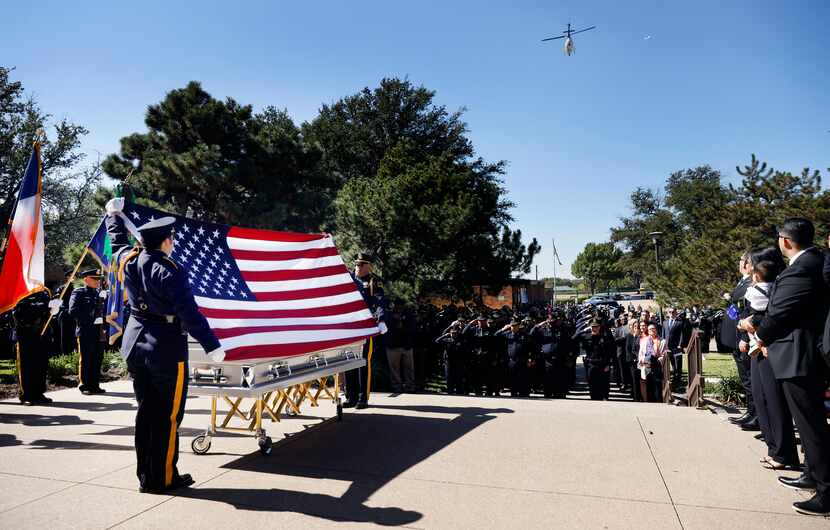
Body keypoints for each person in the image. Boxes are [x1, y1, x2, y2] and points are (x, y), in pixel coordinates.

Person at [105, 198, 225, 494]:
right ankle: (163, 478)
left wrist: (112, 216)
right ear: (166, 242)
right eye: (171, 239)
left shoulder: (129, 260)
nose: (173, 242)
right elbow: (189, 313)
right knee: (168, 416)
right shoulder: (170, 271)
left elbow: (117, 241)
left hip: (135, 345)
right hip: (166, 350)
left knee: (146, 412)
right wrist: (211, 345)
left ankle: (147, 475)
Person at [743, 218, 830, 516]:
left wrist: (759, 337)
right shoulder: (814, 262)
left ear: (786, 241)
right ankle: (812, 471)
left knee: (811, 423)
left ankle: (826, 489)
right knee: (809, 423)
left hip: (798, 356)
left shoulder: (801, 269)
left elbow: (780, 312)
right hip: (800, 354)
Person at [738, 248, 799, 470]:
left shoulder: (775, 287)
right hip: (757, 348)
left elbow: (774, 316)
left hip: (770, 348)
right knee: (762, 398)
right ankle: (773, 448)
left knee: (774, 402)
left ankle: (784, 453)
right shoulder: (757, 289)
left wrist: (754, 328)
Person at [345, 252, 387, 409]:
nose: (357, 267)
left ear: (369, 266)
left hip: (366, 327)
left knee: (363, 362)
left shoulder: (373, 282)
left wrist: (382, 320)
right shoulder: (349, 279)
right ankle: (351, 396)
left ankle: (363, 398)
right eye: (356, 263)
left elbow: (381, 302)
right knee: (349, 361)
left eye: (361, 264)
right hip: (350, 327)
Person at [723, 253, 758, 429]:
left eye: (742, 261)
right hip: (737, 337)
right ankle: (751, 412)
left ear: (748, 265)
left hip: (743, 338)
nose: (739, 263)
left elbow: (746, 312)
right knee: (746, 378)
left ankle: (756, 414)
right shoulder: (743, 281)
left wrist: (744, 338)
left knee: (749, 378)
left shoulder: (750, 283)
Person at [68, 269, 107, 395]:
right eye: (94, 279)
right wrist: (92, 318)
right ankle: (84, 385)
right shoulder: (79, 292)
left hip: (99, 331)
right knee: (86, 359)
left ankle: (95, 385)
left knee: (97, 358)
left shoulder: (99, 293)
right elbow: (73, 311)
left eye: (98, 279)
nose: (97, 281)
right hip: (85, 330)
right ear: (86, 279)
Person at [12, 291, 53, 405]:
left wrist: (52, 309)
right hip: (26, 334)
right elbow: (18, 312)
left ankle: (39, 393)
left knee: (41, 365)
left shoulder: (44, 294)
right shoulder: (22, 291)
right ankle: (27, 395)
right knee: (27, 366)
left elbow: (46, 314)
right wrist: (44, 307)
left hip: (42, 333)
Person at [577, 317, 615, 400]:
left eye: (596, 327)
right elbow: (574, 337)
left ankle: (604, 397)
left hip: (602, 364)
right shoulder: (586, 337)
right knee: (592, 384)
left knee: (603, 383)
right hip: (591, 364)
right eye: (593, 327)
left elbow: (610, 352)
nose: (595, 329)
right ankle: (594, 398)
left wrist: (608, 364)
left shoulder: (605, 338)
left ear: (600, 327)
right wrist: (583, 328)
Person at [495, 317, 530, 397]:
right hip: (511, 360)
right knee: (512, 377)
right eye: (512, 326)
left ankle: (522, 393)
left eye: (515, 326)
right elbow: (496, 335)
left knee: (522, 377)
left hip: (521, 359)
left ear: (518, 326)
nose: (513, 327)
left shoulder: (523, 335)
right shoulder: (507, 334)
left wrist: (529, 358)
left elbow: (529, 347)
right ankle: (513, 393)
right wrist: (503, 329)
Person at [385, 304, 416, 393]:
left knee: (409, 368)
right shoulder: (388, 315)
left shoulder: (409, 315)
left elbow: (412, 329)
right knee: (394, 369)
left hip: (406, 346)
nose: (399, 307)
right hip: (393, 345)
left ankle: (410, 386)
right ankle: (397, 387)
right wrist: (395, 319)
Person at [638, 323, 666, 402]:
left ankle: (659, 403)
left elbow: (664, 353)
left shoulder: (662, 341)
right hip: (647, 365)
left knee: (657, 386)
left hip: (657, 365)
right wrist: (642, 360)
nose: (652, 330)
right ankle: (650, 404)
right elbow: (641, 353)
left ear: (656, 330)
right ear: (648, 331)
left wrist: (661, 358)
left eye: (653, 328)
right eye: (650, 329)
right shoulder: (644, 341)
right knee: (648, 386)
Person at [663, 307, 692, 387]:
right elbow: (663, 335)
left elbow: (682, 335)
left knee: (678, 362)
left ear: (676, 313)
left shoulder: (680, 322)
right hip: (668, 346)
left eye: (673, 312)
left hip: (677, 346)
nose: (671, 313)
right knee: (671, 362)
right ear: (668, 313)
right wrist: (663, 345)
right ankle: (673, 378)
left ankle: (678, 379)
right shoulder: (665, 323)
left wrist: (680, 344)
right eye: (670, 312)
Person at [625, 319, 643, 401]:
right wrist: (632, 359)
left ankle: (642, 396)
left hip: (641, 361)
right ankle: (636, 397)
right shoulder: (629, 336)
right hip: (633, 362)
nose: (636, 328)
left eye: (638, 327)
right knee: (634, 380)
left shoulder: (642, 336)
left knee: (641, 379)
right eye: (635, 327)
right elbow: (628, 349)